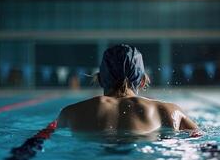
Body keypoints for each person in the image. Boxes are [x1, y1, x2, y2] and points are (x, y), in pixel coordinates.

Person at [58, 44, 199, 135]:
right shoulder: (169, 111)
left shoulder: (70, 113)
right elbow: (200, 140)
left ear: (100, 79)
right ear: (143, 82)